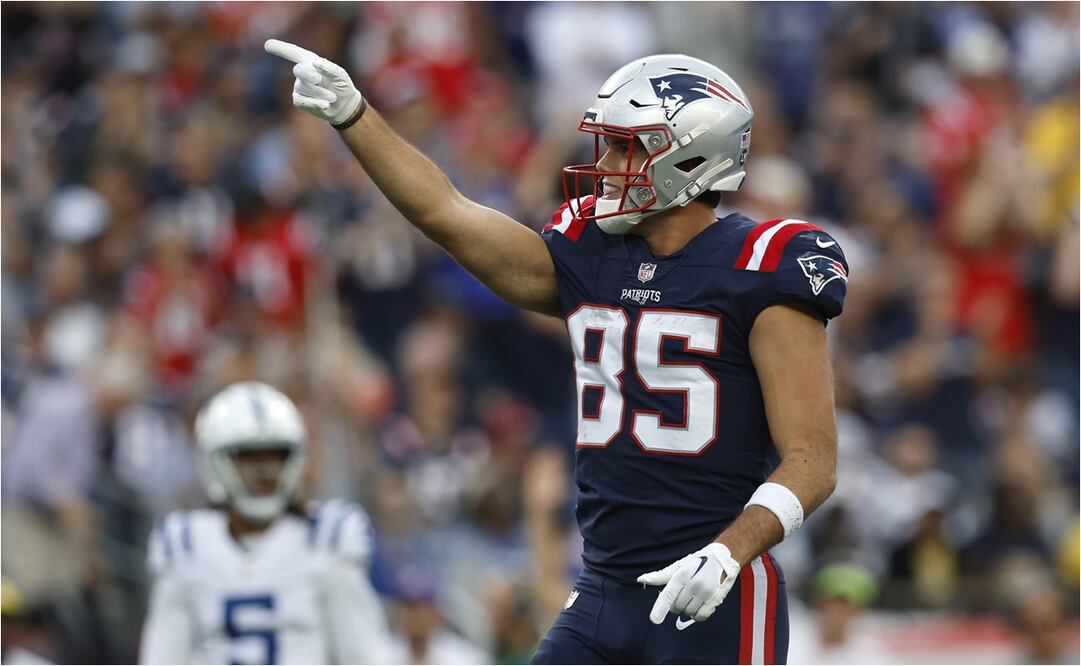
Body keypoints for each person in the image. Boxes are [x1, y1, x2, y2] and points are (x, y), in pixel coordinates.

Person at [266, 41, 847, 664]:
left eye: (629, 146)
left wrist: (730, 553)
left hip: (716, 591)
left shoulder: (761, 266)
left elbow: (813, 461)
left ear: (693, 156)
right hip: (603, 588)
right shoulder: (588, 253)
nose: (605, 164)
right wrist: (356, 115)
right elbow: (447, 212)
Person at [138, 382, 391, 664]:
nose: (263, 472)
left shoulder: (327, 539)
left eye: (275, 457)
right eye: (248, 458)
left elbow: (365, 656)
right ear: (214, 461)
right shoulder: (184, 546)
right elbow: (162, 657)